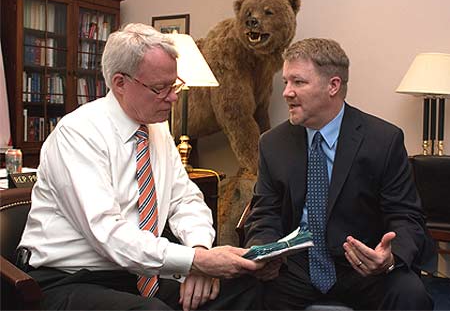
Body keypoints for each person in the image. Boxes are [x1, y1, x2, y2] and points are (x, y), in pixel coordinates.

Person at [18, 23, 263, 311]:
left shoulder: (156, 130)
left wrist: (199, 250)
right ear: (120, 83)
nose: (173, 97)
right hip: (69, 280)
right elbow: (108, 234)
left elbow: (186, 199)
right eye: (160, 88)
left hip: (138, 274)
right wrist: (195, 262)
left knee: (247, 287)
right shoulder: (78, 134)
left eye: (175, 84)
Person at [244, 38, 436, 310]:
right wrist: (264, 251)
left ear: (333, 86)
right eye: (286, 82)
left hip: (363, 267)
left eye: (298, 82)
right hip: (295, 268)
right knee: (239, 290)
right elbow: (265, 212)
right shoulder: (272, 143)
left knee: (409, 294)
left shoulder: (382, 139)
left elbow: (406, 216)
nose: (286, 92)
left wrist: (389, 257)